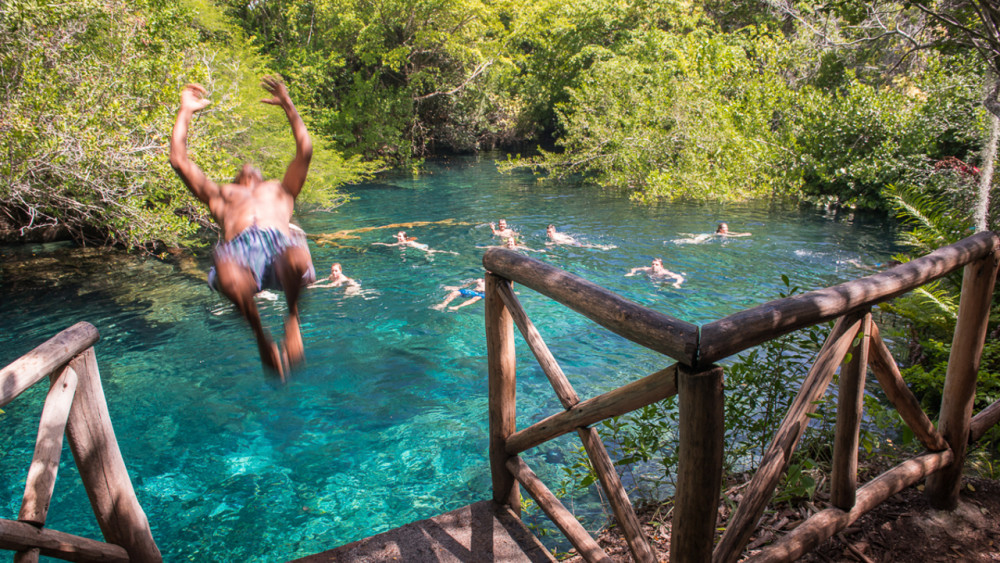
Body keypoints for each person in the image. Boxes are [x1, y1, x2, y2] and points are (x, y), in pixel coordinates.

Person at [169, 77, 316, 380]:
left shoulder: (282, 189)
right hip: (239, 257)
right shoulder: (221, 196)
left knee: (295, 254)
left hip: (279, 247)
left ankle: (292, 319)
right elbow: (179, 161)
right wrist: (185, 110)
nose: (249, 167)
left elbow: (305, 150)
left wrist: (288, 105)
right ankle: (260, 335)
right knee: (223, 267)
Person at [374, 231, 456, 255]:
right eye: (398, 236)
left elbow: (390, 245)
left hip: (421, 247)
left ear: (404, 237)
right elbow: (401, 239)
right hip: (423, 245)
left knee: (430, 252)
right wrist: (395, 236)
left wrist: (378, 243)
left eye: (400, 236)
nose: (399, 238)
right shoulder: (406, 239)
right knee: (429, 252)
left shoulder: (404, 243)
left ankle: (449, 252)